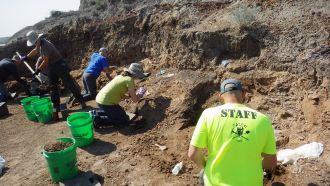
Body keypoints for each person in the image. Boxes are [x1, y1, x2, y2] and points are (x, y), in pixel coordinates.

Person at [188, 79, 277, 186]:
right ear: (243, 94)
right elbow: (271, 161)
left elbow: (193, 153)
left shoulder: (208, 114)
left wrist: (205, 166)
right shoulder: (263, 119)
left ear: (221, 96)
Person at [20, 30, 86, 120]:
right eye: (34, 43)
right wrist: (26, 57)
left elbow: (45, 60)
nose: (35, 44)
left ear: (38, 38)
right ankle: (56, 108)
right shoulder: (39, 44)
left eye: (35, 42)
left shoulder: (46, 45)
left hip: (59, 65)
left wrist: (38, 70)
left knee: (70, 84)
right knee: (53, 87)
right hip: (51, 67)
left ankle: (82, 102)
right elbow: (35, 50)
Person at [91, 63, 146, 127]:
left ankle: (95, 113)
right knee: (123, 120)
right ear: (135, 74)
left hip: (101, 99)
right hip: (106, 102)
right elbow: (135, 100)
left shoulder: (120, 76)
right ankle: (97, 119)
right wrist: (141, 94)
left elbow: (120, 93)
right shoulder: (129, 80)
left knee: (124, 115)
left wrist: (129, 96)